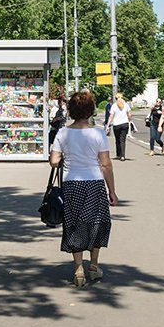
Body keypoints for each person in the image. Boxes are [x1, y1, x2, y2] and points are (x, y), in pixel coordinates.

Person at [50, 90, 118, 288]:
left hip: (72, 183)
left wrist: (64, 156)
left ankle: (78, 269)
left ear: (71, 110)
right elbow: (105, 164)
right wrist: (112, 191)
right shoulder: (97, 134)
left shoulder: (63, 133)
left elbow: (54, 162)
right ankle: (94, 267)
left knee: (75, 223)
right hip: (95, 183)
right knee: (97, 222)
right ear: (90, 111)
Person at [105, 92, 132, 161]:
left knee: (117, 140)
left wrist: (108, 126)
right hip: (125, 124)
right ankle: (123, 156)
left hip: (116, 125)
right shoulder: (126, 105)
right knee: (122, 140)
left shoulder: (114, 106)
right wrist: (129, 120)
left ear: (116, 98)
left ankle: (118, 154)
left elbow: (111, 116)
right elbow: (129, 114)